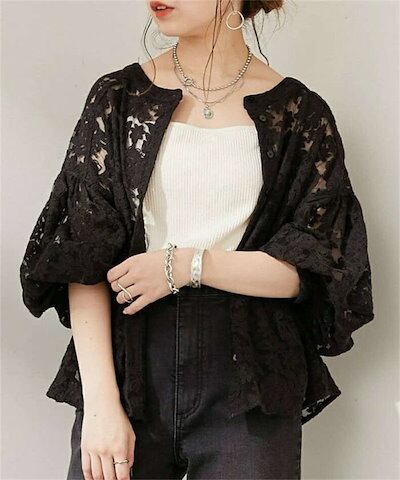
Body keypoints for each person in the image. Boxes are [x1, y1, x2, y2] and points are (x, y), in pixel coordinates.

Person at [19, 1, 375, 479]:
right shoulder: (117, 98)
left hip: (249, 375)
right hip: (128, 363)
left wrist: (186, 264)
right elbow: (81, 258)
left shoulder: (301, 114)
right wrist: (101, 405)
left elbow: (313, 267)